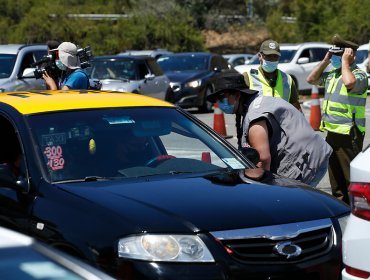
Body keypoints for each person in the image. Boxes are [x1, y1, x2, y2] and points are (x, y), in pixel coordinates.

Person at [207, 73, 332, 187]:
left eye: (221, 97)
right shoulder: (256, 103)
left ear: (238, 94)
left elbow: (262, 159)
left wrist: (256, 187)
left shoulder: (255, 116)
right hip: (311, 153)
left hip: (309, 162)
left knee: (289, 203)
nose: (219, 102)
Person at [306, 34, 368, 203]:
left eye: (338, 56)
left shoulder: (359, 75)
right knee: (336, 181)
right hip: (332, 133)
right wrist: (326, 61)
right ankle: (342, 212)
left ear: (350, 55)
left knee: (350, 179)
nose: (335, 59)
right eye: (334, 55)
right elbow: (311, 79)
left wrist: (346, 63)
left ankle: (359, 214)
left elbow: (349, 83)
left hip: (350, 134)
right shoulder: (333, 74)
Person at [242, 39, 302, 112]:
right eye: (268, 56)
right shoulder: (248, 77)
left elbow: (295, 105)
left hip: (282, 122)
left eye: (275, 56)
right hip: (257, 122)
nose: (272, 59)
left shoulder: (288, 79)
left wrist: (302, 121)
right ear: (260, 56)